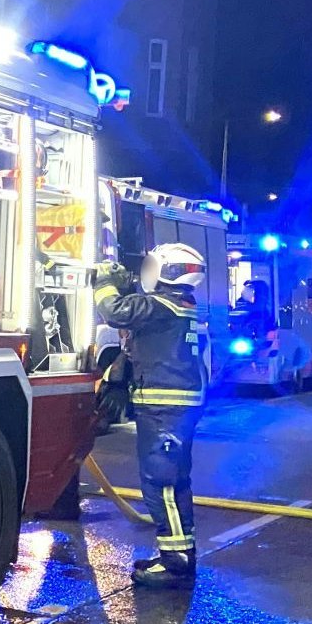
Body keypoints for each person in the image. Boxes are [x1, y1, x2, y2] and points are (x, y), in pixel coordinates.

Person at [94, 243, 210, 588]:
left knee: (163, 483)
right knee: (173, 483)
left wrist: (104, 281)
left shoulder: (162, 305)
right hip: (173, 409)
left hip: (164, 412)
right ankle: (178, 553)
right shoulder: (178, 305)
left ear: (169, 271)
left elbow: (113, 310)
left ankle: (176, 562)